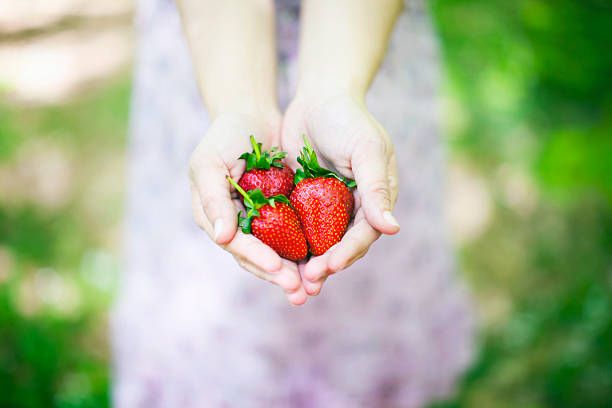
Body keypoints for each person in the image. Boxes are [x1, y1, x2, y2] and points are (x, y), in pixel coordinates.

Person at [112, 0, 474, 406]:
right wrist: (238, 108)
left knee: (367, 311)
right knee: (209, 306)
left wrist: (334, 97)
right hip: (213, 63)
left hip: (361, 46)